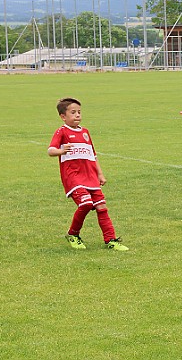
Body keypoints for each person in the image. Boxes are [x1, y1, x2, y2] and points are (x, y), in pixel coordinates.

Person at [48, 97, 129, 251]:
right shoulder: (62, 131)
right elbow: (50, 150)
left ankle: (111, 240)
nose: (77, 115)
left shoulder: (85, 132)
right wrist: (61, 150)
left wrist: (100, 174)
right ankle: (73, 234)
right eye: (73, 112)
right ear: (63, 116)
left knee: (102, 207)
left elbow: (93, 155)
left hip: (90, 177)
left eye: (79, 112)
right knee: (85, 204)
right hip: (73, 177)